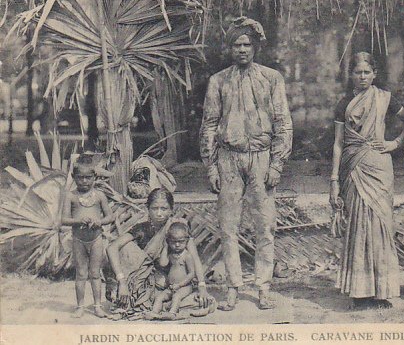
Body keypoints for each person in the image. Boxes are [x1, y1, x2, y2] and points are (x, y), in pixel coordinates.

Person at [199, 16, 293, 311]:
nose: (242, 49)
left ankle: (263, 287)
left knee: (265, 227)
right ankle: (232, 287)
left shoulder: (271, 78)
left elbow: (283, 123)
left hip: (262, 158)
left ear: (255, 48)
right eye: (236, 45)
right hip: (229, 158)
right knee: (229, 227)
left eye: (247, 44)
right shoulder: (218, 81)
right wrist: (211, 166)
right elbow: (209, 125)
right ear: (229, 48)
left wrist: (277, 163)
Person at [329, 51, 404, 308]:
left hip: (379, 167)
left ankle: (381, 290)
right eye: (357, 72)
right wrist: (333, 180)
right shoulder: (343, 104)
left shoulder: (385, 99)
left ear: (374, 74)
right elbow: (338, 144)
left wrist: (394, 143)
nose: (362, 77)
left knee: (380, 226)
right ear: (351, 75)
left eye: (366, 72)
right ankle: (359, 291)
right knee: (358, 225)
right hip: (353, 167)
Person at [106, 188, 213, 319]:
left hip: (170, 283)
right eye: (155, 208)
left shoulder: (178, 228)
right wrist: (121, 281)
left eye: (164, 209)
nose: (159, 213)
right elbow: (112, 248)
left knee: (201, 299)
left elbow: (194, 257)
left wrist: (202, 286)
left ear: (171, 210)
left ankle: (157, 305)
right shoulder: (141, 228)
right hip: (143, 281)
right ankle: (151, 302)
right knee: (126, 248)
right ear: (147, 209)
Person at [62, 155, 114, 318]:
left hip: (96, 239)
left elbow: (110, 217)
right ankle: (80, 306)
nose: (84, 181)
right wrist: (78, 220)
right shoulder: (70, 196)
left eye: (88, 177)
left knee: (95, 273)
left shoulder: (99, 196)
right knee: (81, 274)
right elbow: (63, 219)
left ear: (95, 177)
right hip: (78, 240)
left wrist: (99, 222)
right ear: (73, 177)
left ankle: (98, 306)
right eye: (80, 177)